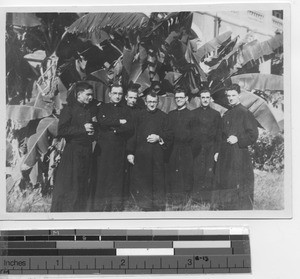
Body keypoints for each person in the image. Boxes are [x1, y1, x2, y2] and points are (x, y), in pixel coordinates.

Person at [51, 82, 96, 212]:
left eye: (92, 95)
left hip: (86, 152)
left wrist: (92, 133)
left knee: (82, 184)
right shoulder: (68, 109)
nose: (90, 97)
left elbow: (89, 130)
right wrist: (83, 129)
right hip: (73, 152)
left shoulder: (88, 110)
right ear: (79, 94)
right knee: (71, 185)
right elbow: (62, 130)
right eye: (88, 94)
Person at [214, 84, 258, 210]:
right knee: (227, 182)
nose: (231, 98)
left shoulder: (245, 113)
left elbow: (253, 134)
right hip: (226, 154)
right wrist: (217, 151)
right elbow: (221, 135)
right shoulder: (227, 114)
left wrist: (238, 139)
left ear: (239, 95)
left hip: (240, 154)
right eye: (228, 96)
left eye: (233, 95)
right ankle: (228, 209)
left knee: (240, 183)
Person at [90, 83, 133, 211]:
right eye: (115, 93)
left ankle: (115, 207)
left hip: (119, 148)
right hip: (103, 148)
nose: (117, 96)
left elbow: (129, 126)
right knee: (102, 175)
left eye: (120, 94)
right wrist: (119, 122)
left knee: (116, 177)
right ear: (109, 95)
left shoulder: (126, 110)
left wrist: (114, 130)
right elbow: (101, 121)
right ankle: (99, 206)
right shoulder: (103, 107)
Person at [127, 92, 173, 211]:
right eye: (149, 102)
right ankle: (144, 206)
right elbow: (132, 135)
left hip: (157, 155)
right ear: (146, 102)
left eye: (154, 102)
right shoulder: (138, 116)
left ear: (158, 102)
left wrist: (159, 137)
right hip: (142, 154)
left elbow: (169, 135)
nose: (152, 104)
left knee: (157, 181)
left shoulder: (164, 117)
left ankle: (158, 206)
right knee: (143, 180)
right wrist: (130, 152)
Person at [191, 89, 222, 204]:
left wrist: (217, 151)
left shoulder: (216, 114)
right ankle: (195, 199)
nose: (205, 100)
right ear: (199, 99)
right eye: (203, 97)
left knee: (209, 173)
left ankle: (207, 200)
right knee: (197, 172)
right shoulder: (193, 113)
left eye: (207, 98)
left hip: (210, 148)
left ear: (210, 99)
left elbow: (219, 134)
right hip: (197, 149)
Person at [166, 88, 194, 207]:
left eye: (181, 98)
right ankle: (173, 201)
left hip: (186, 149)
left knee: (185, 175)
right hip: (173, 149)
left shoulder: (191, 115)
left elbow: (195, 136)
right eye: (176, 98)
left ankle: (184, 202)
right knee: (173, 174)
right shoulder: (171, 115)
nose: (178, 100)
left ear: (186, 99)